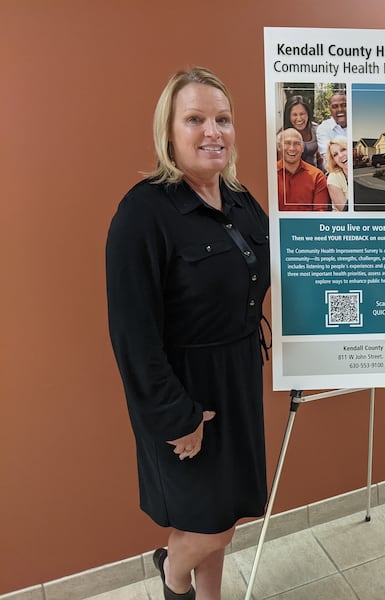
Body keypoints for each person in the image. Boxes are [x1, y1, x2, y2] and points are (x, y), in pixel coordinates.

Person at [106, 67, 271, 600]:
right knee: (209, 524)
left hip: (237, 378)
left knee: (226, 513)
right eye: (195, 119)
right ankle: (172, 576)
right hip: (183, 391)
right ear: (169, 132)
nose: (212, 132)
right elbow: (133, 333)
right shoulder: (143, 212)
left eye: (222, 119)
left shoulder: (242, 199)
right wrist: (176, 415)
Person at [277, 128, 330, 211]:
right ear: (279, 146)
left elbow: (320, 214)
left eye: (297, 144)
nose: (292, 148)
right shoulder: (269, 175)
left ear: (302, 148)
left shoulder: (317, 176)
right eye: (287, 143)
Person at [282, 94, 322, 169]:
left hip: (316, 172)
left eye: (302, 114)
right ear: (288, 116)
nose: (299, 119)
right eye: (294, 115)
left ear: (308, 114)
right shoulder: (283, 136)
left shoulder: (317, 130)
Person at [316, 86, 347, 164]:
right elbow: (329, 157)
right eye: (335, 106)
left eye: (344, 105)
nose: (340, 109)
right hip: (334, 173)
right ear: (330, 110)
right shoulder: (323, 128)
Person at [325, 136, 349, 211]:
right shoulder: (333, 178)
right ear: (333, 160)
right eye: (335, 154)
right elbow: (345, 210)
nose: (341, 155)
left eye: (343, 149)